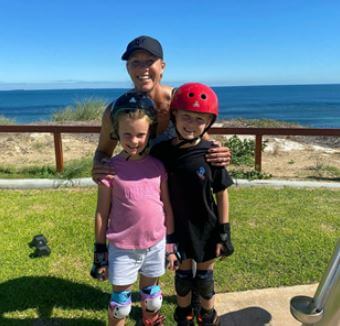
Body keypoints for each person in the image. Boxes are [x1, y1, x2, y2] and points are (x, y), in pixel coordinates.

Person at [92, 35, 231, 183]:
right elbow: (103, 151)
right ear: (128, 68)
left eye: (149, 61)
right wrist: (100, 166)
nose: (142, 68)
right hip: (139, 187)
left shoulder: (181, 101)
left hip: (176, 188)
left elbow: (200, 140)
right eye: (135, 62)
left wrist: (217, 152)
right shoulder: (116, 110)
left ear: (162, 67)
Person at [90, 91, 178, 326]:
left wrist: (170, 245)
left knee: (152, 299)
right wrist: (100, 253)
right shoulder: (110, 169)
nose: (134, 140)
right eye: (127, 134)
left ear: (149, 133)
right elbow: (102, 213)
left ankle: (149, 322)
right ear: (116, 133)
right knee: (120, 305)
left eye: (140, 134)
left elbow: (166, 208)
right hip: (123, 249)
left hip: (155, 245)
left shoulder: (158, 167)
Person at [150, 83, 235, 325]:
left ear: (208, 123)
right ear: (174, 114)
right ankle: (184, 315)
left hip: (206, 226)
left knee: (205, 278)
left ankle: (207, 316)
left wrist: (224, 231)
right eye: (186, 116)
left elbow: (221, 193)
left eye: (200, 119)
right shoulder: (162, 153)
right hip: (177, 227)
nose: (191, 124)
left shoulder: (211, 154)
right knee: (184, 275)